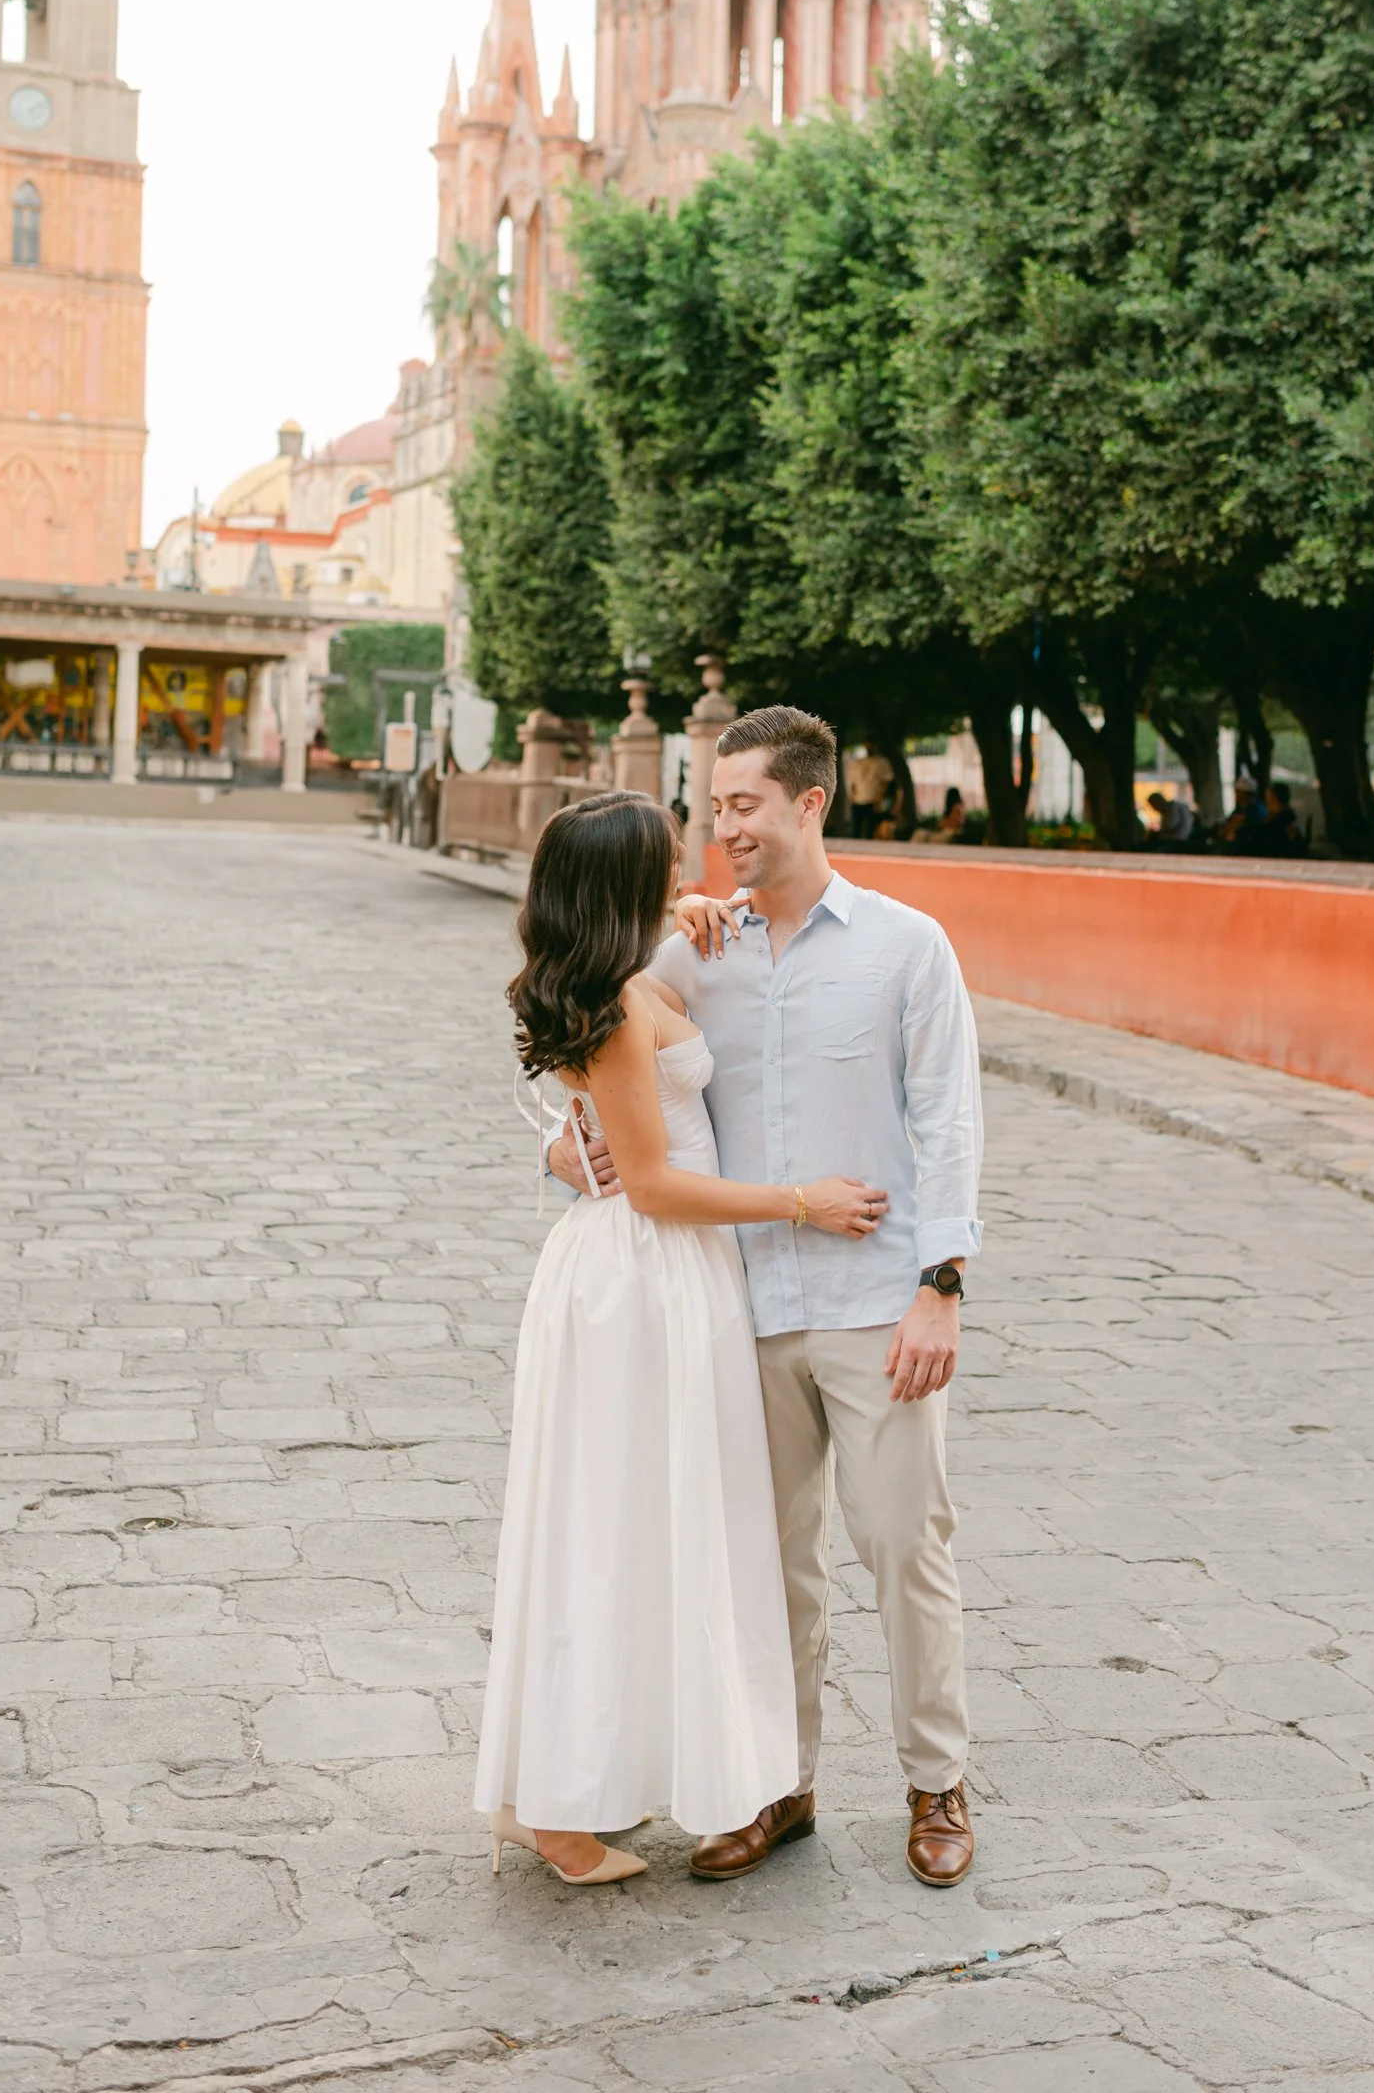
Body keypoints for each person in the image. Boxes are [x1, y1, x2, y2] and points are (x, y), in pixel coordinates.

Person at [551, 705, 984, 1888]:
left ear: (809, 802)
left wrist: (941, 1285)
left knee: (905, 1547)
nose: (721, 825)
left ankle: (935, 1780)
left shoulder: (908, 947)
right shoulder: (689, 956)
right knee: (766, 1564)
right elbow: (592, 1088)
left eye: (742, 802)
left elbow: (948, 1123)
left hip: (873, 1302)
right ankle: (777, 1785)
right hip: (737, 1307)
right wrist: (561, 1154)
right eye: (710, 801)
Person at [475, 791, 888, 1885]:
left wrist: (694, 908)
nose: (687, 867)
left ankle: (548, 1784)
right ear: (623, 883)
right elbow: (653, 1183)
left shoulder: (610, 978)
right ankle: (562, 1813)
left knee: (615, 1527)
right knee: (616, 1531)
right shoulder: (613, 1006)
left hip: (640, 1276)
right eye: (668, 860)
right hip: (645, 1276)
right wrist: (802, 1200)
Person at [845, 741, 894, 841]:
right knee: (856, 829)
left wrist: (879, 799)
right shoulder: (858, 763)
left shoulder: (882, 762)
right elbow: (853, 782)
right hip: (858, 800)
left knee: (870, 830)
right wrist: (852, 797)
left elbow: (885, 782)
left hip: (872, 800)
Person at [1260, 779, 1308, 855]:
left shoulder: (1286, 817)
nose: (1266, 797)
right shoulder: (1271, 815)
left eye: (1268, 794)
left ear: (1274, 797)